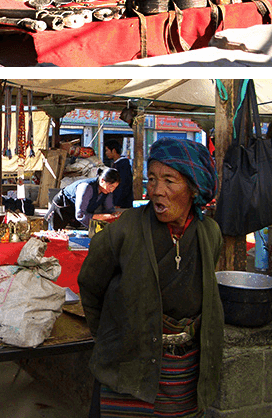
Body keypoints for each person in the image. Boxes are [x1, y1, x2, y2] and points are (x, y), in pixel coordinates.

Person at [79, 137, 222, 418]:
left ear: (194, 189)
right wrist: (111, 336)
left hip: (183, 370)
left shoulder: (209, 233)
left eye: (170, 181)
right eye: (153, 179)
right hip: (129, 359)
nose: (157, 190)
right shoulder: (127, 227)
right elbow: (91, 283)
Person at [47, 168, 118, 230]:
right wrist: (102, 216)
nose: (112, 190)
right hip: (63, 209)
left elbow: (109, 210)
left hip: (77, 214)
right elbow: (80, 215)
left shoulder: (107, 191)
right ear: (102, 180)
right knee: (56, 237)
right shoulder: (86, 187)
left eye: (115, 188)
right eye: (111, 186)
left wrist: (114, 215)